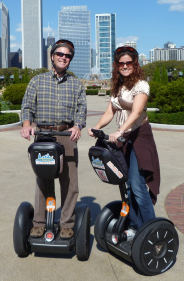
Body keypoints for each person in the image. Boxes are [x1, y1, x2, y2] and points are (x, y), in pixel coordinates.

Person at [88, 46, 160, 232]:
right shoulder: (118, 87)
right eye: (122, 63)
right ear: (117, 66)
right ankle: (135, 227)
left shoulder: (141, 85)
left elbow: (136, 112)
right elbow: (109, 113)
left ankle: (150, 230)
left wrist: (120, 130)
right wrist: (97, 127)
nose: (125, 66)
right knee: (127, 186)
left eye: (129, 63)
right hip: (125, 139)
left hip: (140, 138)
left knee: (137, 185)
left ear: (135, 64)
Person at [20, 39, 87, 239]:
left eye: (67, 56)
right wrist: (26, 125)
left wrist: (78, 125)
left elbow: (81, 108)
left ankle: (67, 223)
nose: (63, 58)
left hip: (66, 135)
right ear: (52, 56)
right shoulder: (37, 81)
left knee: (69, 182)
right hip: (42, 136)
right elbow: (27, 106)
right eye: (60, 54)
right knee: (43, 179)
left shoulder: (76, 84)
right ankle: (39, 222)